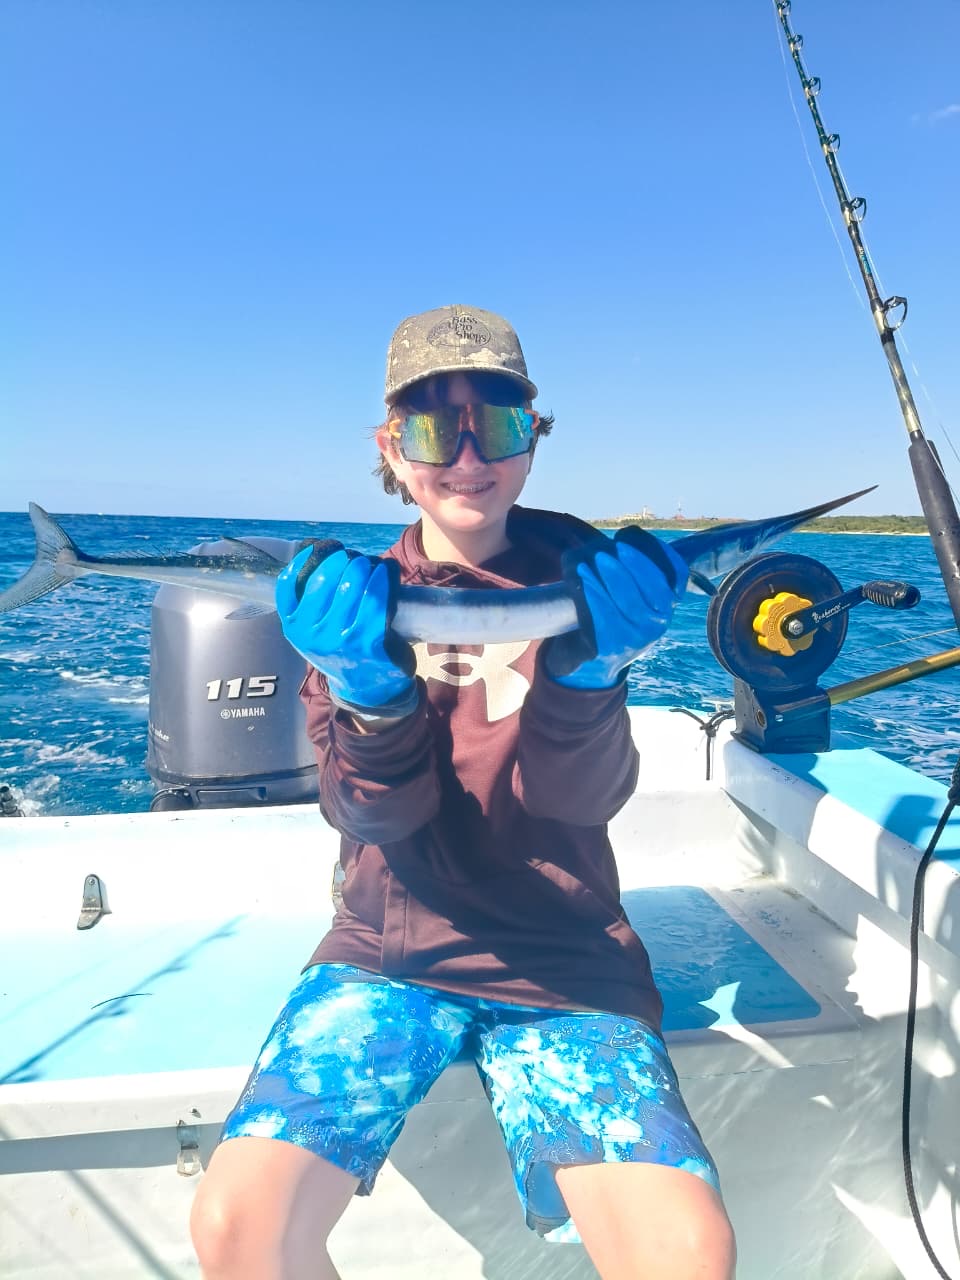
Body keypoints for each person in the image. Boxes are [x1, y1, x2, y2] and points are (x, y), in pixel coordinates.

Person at [190, 304, 736, 1280]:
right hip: (387, 950)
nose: (470, 456)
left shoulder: (593, 585)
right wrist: (366, 693)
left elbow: (583, 799)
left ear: (534, 439)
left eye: (502, 423)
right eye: (437, 429)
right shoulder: (348, 603)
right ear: (391, 449)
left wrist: (593, 673)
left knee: (684, 1251)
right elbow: (370, 814)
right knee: (238, 1227)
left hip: (566, 956)